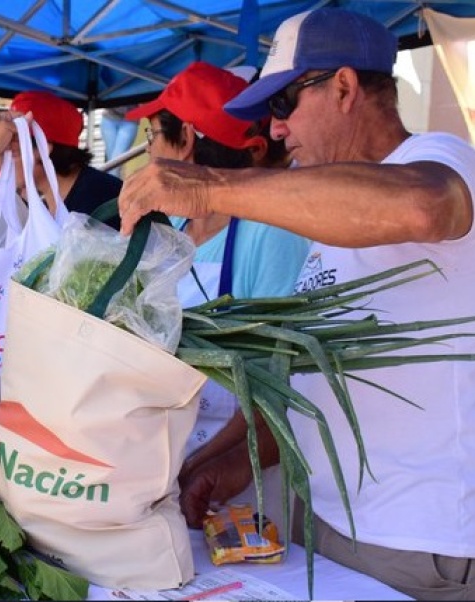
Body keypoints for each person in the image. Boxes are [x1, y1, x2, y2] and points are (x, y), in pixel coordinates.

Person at [119, 8, 475, 600]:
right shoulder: (333, 210)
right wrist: (236, 464)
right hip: (332, 527)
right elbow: (318, 380)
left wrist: (208, 184)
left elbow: (426, 207)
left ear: (343, 87)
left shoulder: (442, 160)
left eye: (282, 105)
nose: (276, 131)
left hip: (414, 540)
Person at [125, 60, 308, 504]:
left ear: (185, 140)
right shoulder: (173, 223)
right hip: (166, 462)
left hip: (233, 480)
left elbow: (274, 384)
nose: (147, 151)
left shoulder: (270, 232)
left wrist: (198, 462)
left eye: (152, 136)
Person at [9, 90, 122, 226]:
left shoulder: (98, 205)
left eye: (13, 152)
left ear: (43, 149)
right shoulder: (57, 202)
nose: (4, 160)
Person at [100, 104, 138, 177]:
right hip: (108, 118)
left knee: (116, 163)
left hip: (130, 119)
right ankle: (117, 185)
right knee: (112, 163)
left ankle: (113, 187)